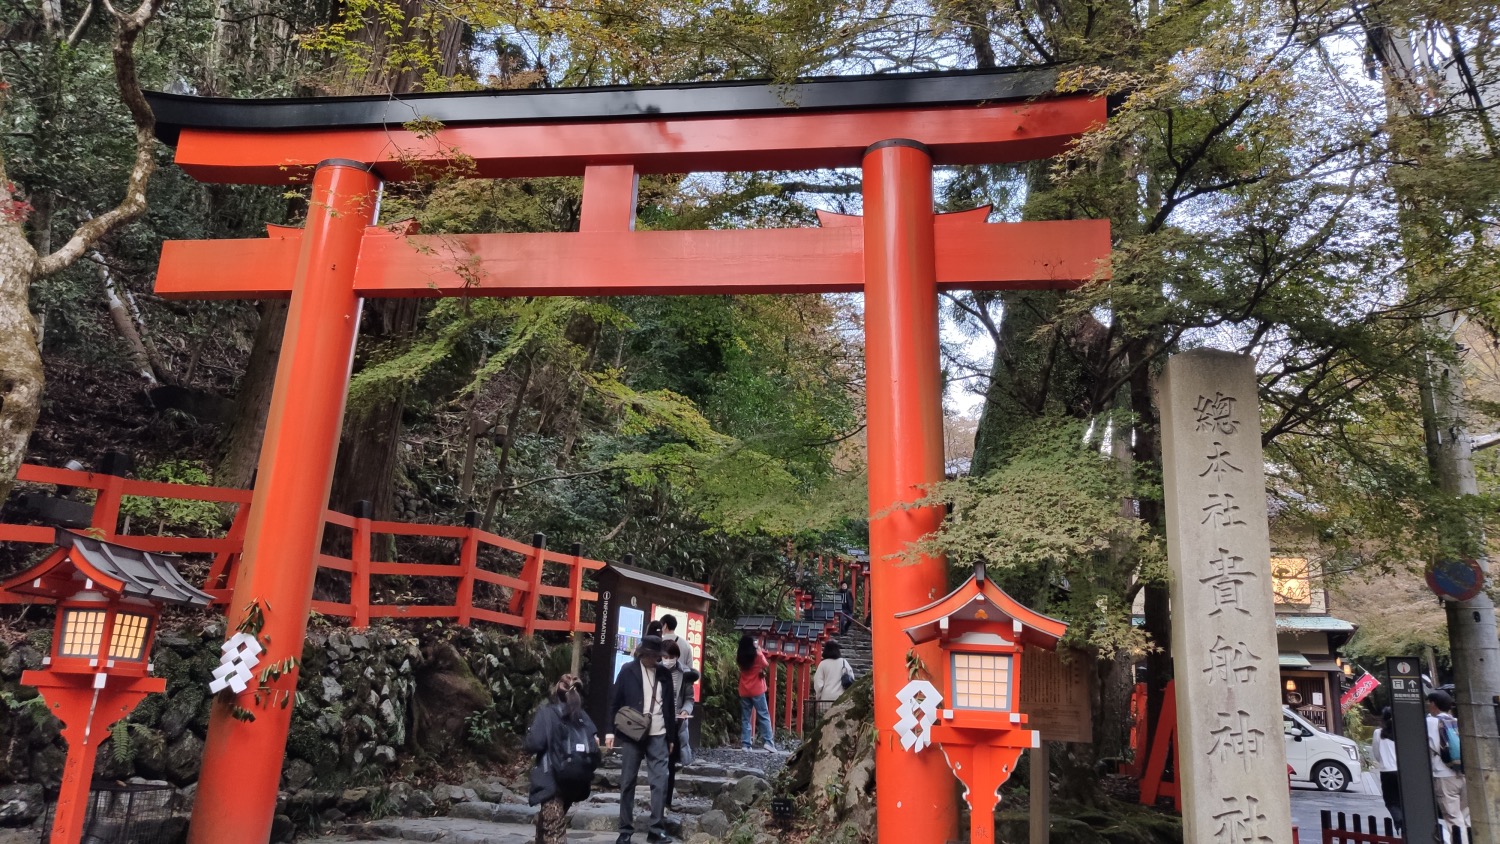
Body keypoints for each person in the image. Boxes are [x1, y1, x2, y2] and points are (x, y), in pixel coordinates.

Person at [610, 635, 678, 844]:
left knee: (660, 782)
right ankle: (625, 830)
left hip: (659, 733)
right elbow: (615, 702)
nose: (652, 660)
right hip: (632, 734)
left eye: (656, 656)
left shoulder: (665, 674)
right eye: (649, 655)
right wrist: (609, 731)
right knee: (627, 781)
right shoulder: (627, 671)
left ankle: (656, 829)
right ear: (642, 653)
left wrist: (671, 736)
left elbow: (669, 707)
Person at [524, 673, 599, 844]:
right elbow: (595, 744)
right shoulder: (584, 717)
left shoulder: (547, 713)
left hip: (552, 780)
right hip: (575, 782)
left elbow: (534, 743)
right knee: (547, 825)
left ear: (556, 688)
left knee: (554, 833)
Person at [661, 639, 699, 812]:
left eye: (671, 657)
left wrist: (685, 710)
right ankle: (658, 801)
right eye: (665, 657)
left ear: (676, 657)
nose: (667, 660)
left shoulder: (684, 673)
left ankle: (666, 801)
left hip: (676, 724)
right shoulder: (656, 671)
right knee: (659, 763)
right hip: (658, 723)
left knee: (671, 764)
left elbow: (689, 698)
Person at [1426, 690, 1470, 839]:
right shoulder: (1457, 722)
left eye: (1429, 703)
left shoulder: (1430, 722)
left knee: (1453, 818)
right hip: (1463, 773)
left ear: (1433, 704)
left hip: (1443, 775)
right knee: (1462, 815)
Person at [736, 634, 776, 752]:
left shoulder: (740, 656)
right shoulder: (757, 655)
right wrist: (759, 650)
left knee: (745, 718)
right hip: (757, 689)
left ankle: (746, 744)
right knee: (763, 715)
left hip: (744, 689)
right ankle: (768, 742)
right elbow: (765, 664)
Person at [1371, 707, 1403, 833]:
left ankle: (1398, 820)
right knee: (1403, 799)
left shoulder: (1378, 733)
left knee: (1391, 801)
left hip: (1387, 772)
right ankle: (1404, 820)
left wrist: (1383, 762)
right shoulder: (1403, 732)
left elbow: (1376, 753)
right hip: (1402, 772)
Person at [811, 640, 850, 717]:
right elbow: (851, 678)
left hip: (826, 699)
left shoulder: (823, 664)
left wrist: (818, 696)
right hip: (841, 698)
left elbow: (818, 683)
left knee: (826, 720)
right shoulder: (844, 662)